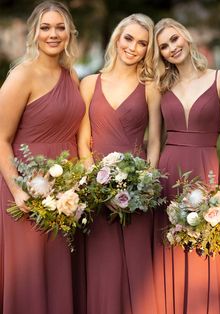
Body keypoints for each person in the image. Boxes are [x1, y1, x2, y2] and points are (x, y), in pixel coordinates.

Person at [0, 1, 85, 313]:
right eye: (46, 27)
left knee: (59, 268)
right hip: (27, 187)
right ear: (34, 33)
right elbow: (1, 138)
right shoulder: (22, 75)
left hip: (66, 194)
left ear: (69, 33)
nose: (53, 34)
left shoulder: (71, 75)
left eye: (60, 27)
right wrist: (18, 189)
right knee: (31, 274)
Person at [77, 13, 161, 314]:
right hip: (97, 196)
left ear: (148, 50)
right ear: (117, 37)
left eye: (142, 43)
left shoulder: (150, 86)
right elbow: (82, 143)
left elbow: (154, 140)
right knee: (103, 270)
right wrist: (100, 188)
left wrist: (145, 183)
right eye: (129, 38)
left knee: (140, 274)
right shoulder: (89, 83)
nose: (133, 48)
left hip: (139, 195)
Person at [153, 18, 220, 314]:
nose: (172, 48)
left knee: (207, 249)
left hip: (206, 170)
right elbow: (154, 137)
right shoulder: (162, 86)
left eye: (174, 39)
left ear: (186, 37)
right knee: (170, 251)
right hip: (169, 173)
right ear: (160, 53)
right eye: (164, 46)